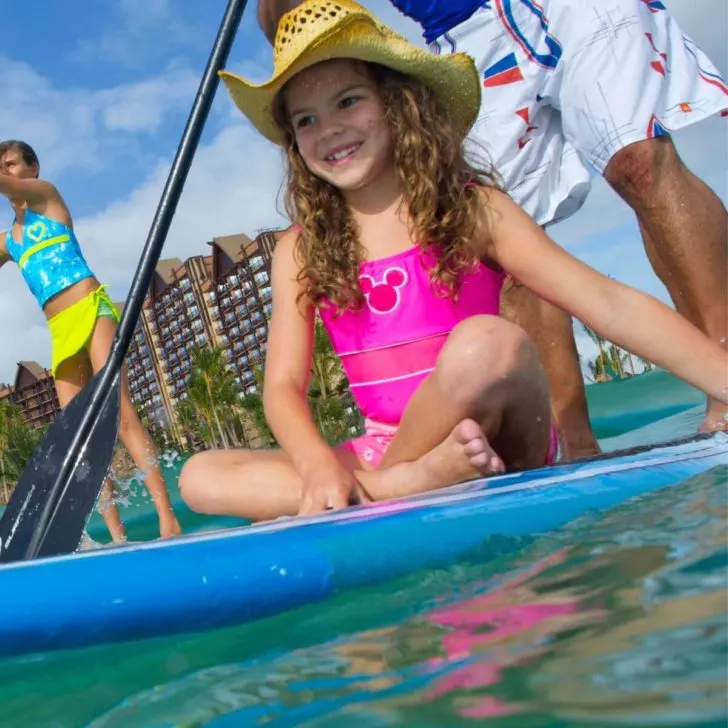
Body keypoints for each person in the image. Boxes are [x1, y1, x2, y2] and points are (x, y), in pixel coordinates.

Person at [178, 0, 728, 522]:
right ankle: (412, 483)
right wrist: (319, 464)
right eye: (305, 121)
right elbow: (281, 389)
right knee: (200, 476)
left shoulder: (471, 210)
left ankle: (377, 493)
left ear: (398, 104)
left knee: (487, 344)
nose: (329, 130)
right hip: (391, 448)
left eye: (348, 101)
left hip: (495, 433)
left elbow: (609, 304)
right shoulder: (300, 248)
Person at [0, 140, 182, 542]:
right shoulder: (9, 239)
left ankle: (169, 521)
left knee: (119, 414)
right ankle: (117, 537)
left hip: (90, 308)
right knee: (79, 438)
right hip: (60, 331)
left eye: (12, 164)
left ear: (33, 169)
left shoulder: (48, 199)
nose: (8, 172)